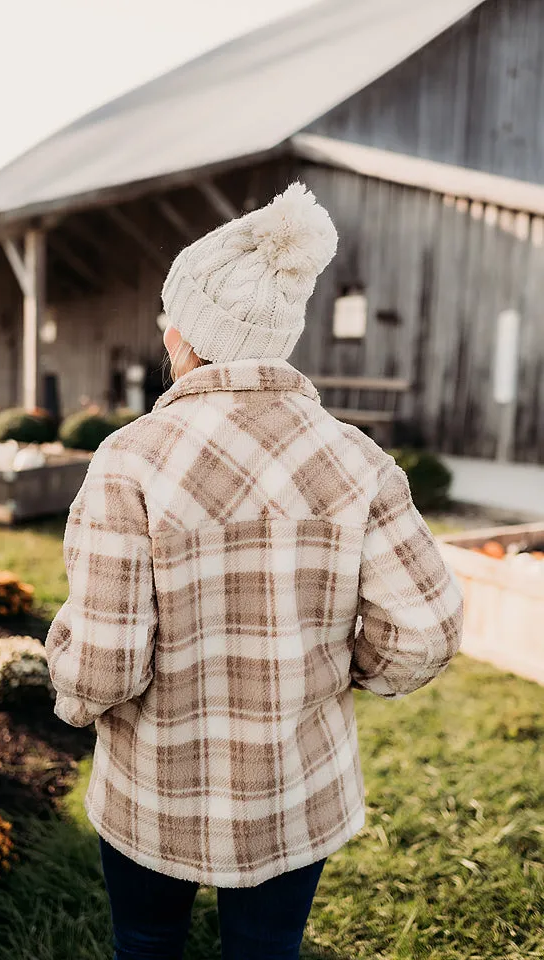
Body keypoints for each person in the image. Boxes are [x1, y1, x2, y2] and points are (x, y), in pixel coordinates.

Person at [45, 182, 464, 960]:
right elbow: (427, 629)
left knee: (145, 941)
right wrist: (343, 674)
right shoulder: (357, 460)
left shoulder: (132, 460)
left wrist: (72, 700)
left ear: (185, 336)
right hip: (293, 788)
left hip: (154, 787)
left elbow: (103, 662)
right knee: (267, 951)